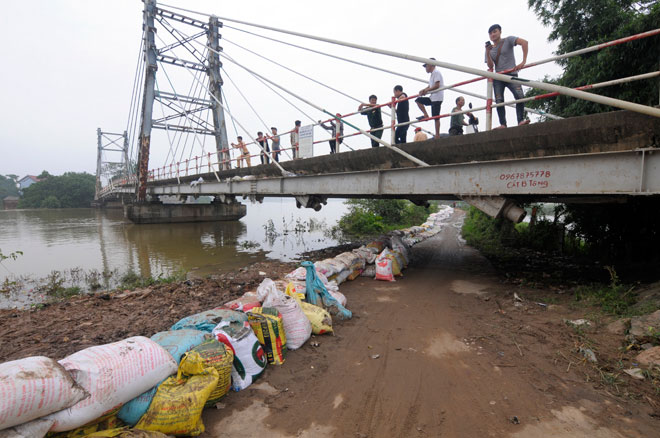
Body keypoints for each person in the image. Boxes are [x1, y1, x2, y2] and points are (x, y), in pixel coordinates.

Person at [485, 24, 530, 128]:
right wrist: (488, 52)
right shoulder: (489, 49)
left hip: (511, 74)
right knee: (499, 101)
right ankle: (503, 124)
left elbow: (524, 42)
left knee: (519, 97)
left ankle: (520, 120)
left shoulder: (508, 40)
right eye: (490, 33)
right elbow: (490, 65)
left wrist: (523, 61)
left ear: (500, 32)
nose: (493, 34)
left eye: (495, 31)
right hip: (498, 77)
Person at [415, 57, 444, 138]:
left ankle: (437, 135)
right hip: (433, 97)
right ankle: (425, 115)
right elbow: (431, 85)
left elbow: (437, 85)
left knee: (436, 117)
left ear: (431, 65)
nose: (425, 68)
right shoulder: (432, 74)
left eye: (426, 66)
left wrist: (426, 91)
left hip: (437, 98)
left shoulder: (436, 72)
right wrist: (424, 90)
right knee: (418, 100)